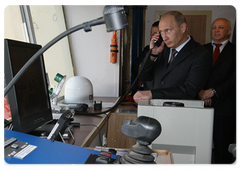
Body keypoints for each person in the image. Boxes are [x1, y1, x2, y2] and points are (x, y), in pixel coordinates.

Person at [133, 11, 212, 103]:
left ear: (183, 27)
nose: (164, 37)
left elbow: (190, 90)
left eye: (168, 30)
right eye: (161, 32)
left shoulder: (200, 54)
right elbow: (143, 76)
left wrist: (152, 94)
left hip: (181, 112)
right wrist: (153, 55)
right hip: (156, 109)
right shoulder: (161, 49)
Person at [198, 18, 237, 164]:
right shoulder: (202, 49)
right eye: (214, 27)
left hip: (225, 107)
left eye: (221, 27)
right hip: (201, 104)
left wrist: (212, 91)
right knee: (200, 145)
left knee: (222, 149)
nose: (216, 30)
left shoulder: (235, 51)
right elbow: (196, 74)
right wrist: (202, 92)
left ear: (229, 30)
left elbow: (235, 78)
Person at [131, 21, 159, 91]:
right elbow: (135, 65)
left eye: (155, 33)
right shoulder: (147, 49)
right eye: (151, 33)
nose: (152, 36)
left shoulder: (168, 51)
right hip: (146, 87)